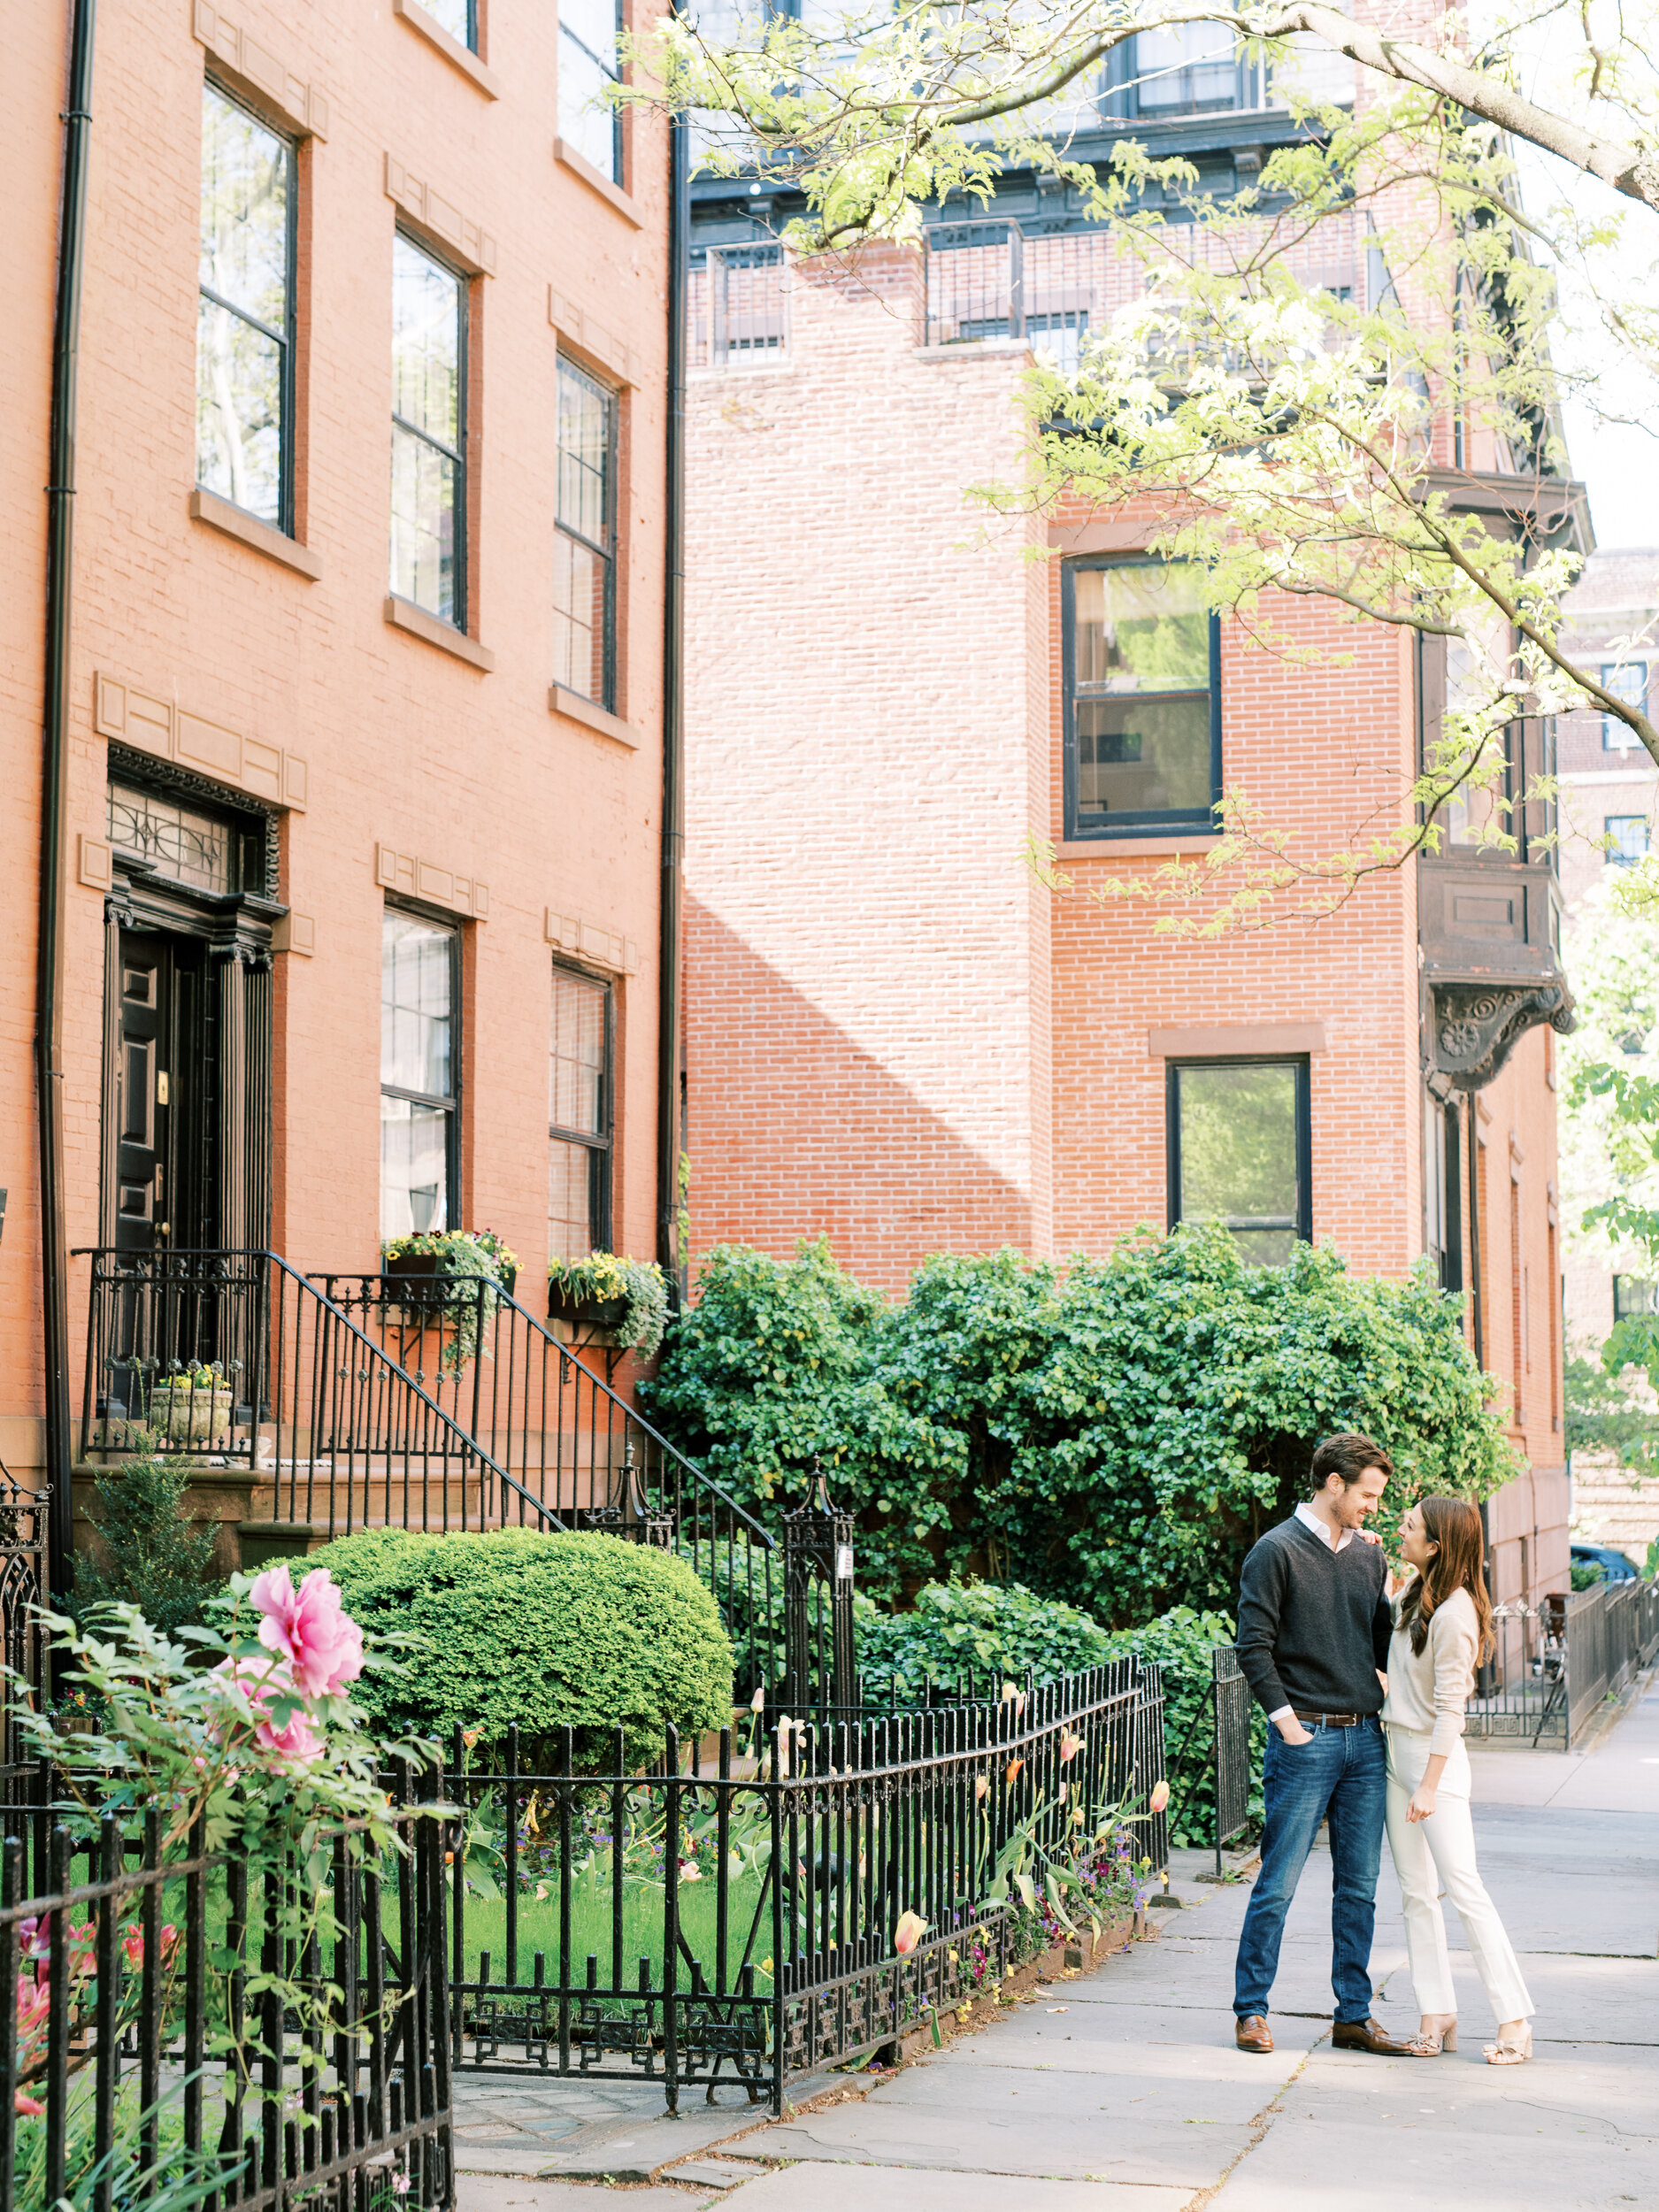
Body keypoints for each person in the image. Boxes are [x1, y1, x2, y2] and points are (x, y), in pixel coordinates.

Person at [1232, 1432, 1405, 2056]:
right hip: (1304, 1739)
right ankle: (1250, 2011)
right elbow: (1252, 1645)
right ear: (1333, 1483)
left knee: (1358, 1887)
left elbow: (1384, 1641)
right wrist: (1286, 1725)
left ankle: (1352, 2017)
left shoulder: (1369, 1556)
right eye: (1367, 1494)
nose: (1373, 1507)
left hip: (1364, 1742)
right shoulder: (1274, 1551)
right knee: (1276, 1883)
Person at [1382, 1495, 1535, 2064]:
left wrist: (1428, 1784)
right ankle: (1436, 2010)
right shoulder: (1415, 1596)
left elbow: (1452, 1709)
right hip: (1397, 1753)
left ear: (1437, 1544)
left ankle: (1514, 2018)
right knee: (1416, 1894)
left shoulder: (1454, 1613)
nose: (1401, 1527)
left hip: (1432, 1765)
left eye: (1411, 1525)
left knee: (1464, 1890)